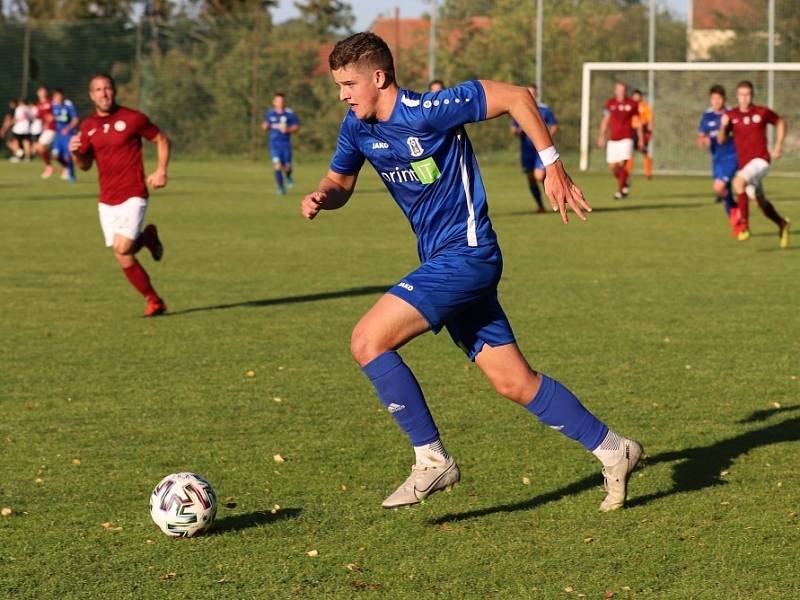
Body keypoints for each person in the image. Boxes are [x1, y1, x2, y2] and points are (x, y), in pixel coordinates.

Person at [301, 32, 643, 512]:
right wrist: (323, 197)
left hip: (468, 255)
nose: (343, 94)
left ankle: (431, 458)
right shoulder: (357, 127)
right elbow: (339, 181)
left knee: (367, 340)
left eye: (348, 84)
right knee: (514, 382)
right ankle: (613, 449)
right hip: (441, 261)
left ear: (378, 77)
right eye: (339, 85)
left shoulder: (429, 110)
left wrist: (553, 166)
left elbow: (518, 97)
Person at [69, 74, 171, 316]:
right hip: (107, 198)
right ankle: (154, 300)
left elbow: (161, 139)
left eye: (108, 89)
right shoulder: (88, 126)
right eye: (98, 90)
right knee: (123, 256)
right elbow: (85, 166)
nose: (104, 94)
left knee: (122, 247)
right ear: (91, 95)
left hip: (134, 192)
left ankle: (145, 241)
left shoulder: (132, 118)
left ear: (114, 91)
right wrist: (75, 154)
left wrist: (161, 171)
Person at [719, 80, 790, 248]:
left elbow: (780, 122)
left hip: (761, 160)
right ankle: (781, 223)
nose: (744, 98)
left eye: (747, 94)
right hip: (746, 166)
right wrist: (722, 127)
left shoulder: (761, 112)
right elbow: (721, 140)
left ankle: (744, 226)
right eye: (741, 95)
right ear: (737, 96)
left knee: (738, 182)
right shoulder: (731, 116)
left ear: (752, 95)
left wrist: (778, 146)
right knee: (760, 202)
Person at [696, 84, 739, 235]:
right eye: (713, 98)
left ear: (724, 99)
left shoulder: (730, 114)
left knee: (719, 187)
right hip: (717, 158)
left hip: (732, 155)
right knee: (724, 191)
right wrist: (702, 141)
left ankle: (736, 213)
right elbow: (701, 136)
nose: (716, 101)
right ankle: (736, 220)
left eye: (718, 98)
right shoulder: (707, 116)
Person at [510, 84, 559, 213]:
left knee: (539, 175)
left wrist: (546, 138)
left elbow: (554, 126)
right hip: (526, 150)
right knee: (531, 178)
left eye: (533, 92)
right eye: (528, 92)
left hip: (540, 150)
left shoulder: (544, 110)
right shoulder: (519, 109)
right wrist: (516, 132)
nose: (531, 95)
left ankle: (555, 196)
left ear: (536, 94)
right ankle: (541, 206)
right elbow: (513, 128)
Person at [597, 81, 643, 199]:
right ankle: (625, 181)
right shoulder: (610, 103)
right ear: (615, 91)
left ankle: (620, 191)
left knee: (622, 164)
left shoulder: (632, 104)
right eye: (619, 90)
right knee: (613, 167)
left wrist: (641, 139)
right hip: (613, 139)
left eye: (623, 90)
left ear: (626, 91)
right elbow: (606, 120)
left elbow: (638, 122)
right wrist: (602, 136)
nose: (621, 92)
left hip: (627, 138)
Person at [261, 93, 300, 196]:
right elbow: (265, 126)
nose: (280, 103)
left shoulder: (289, 113)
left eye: (282, 101)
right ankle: (281, 188)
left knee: (287, 166)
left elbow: (296, 126)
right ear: (274, 102)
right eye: (278, 101)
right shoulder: (270, 114)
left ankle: (288, 176)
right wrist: (265, 126)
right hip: (274, 144)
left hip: (285, 144)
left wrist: (287, 129)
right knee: (277, 166)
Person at [51, 88, 79, 182]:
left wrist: (67, 129)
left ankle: (71, 175)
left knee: (68, 156)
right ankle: (66, 167)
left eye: (59, 96)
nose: (57, 98)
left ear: (62, 96)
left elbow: (75, 120)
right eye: (55, 96)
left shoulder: (68, 105)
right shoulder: (53, 105)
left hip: (68, 134)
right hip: (58, 135)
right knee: (55, 156)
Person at [628, 89, 653, 179]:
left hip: (642, 131)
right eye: (635, 95)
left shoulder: (645, 106)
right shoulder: (629, 106)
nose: (636, 97)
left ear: (640, 97)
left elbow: (649, 119)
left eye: (638, 95)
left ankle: (648, 173)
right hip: (631, 130)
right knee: (629, 152)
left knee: (645, 151)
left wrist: (649, 130)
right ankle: (627, 172)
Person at [33, 85, 56, 179]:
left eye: (44, 91)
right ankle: (52, 165)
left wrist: (53, 117)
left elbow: (58, 112)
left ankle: (49, 166)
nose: (42, 92)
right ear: (37, 93)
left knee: (40, 146)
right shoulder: (38, 105)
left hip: (53, 128)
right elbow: (39, 116)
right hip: (46, 130)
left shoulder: (51, 102)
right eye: (40, 91)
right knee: (39, 148)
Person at [10, 97, 32, 162]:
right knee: (26, 143)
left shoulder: (19, 108)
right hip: (27, 128)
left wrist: (10, 123)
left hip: (18, 129)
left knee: (15, 142)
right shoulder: (28, 108)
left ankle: (18, 156)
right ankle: (27, 157)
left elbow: (17, 118)